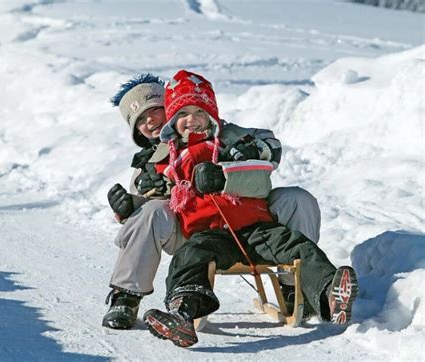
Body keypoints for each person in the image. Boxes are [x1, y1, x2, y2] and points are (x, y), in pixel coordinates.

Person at [143, 70, 358, 348]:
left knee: (299, 247)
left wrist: (232, 167)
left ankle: (329, 294)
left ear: (211, 114)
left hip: (256, 227)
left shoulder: (232, 141)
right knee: (190, 257)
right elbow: (150, 192)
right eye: (183, 114)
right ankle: (183, 311)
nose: (192, 120)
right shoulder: (168, 157)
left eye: (199, 111)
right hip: (210, 234)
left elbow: (266, 159)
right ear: (172, 121)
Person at [102, 74, 321, 330]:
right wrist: (129, 206)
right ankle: (126, 297)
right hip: (192, 233)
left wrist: (242, 155)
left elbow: (270, 147)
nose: (149, 121)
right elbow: (145, 221)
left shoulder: (224, 133)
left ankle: (297, 286)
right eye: (139, 120)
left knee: (297, 198)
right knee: (151, 211)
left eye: (154, 110)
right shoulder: (147, 165)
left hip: (251, 222)